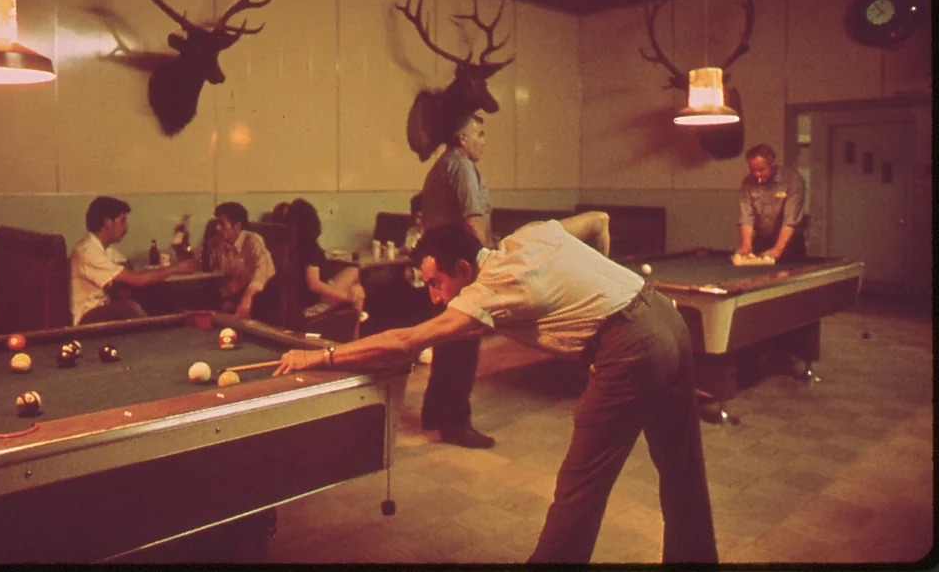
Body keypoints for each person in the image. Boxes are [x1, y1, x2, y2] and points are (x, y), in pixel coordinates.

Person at [274, 213, 718, 564]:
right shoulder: (531, 235)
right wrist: (604, 286)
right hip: (665, 315)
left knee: (580, 488)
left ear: (463, 269)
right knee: (682, 469)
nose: (434, 296)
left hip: (631, 348)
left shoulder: (489, 289)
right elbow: (597, 221)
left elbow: (407, 340)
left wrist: (321, 357)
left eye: (436, 283)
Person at [418, 111, 493, 448]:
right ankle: (456, 425)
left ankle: (434, 413)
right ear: (463, 138)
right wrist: (484, 266)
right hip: (459, 267)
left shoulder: (440, 166)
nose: (483, 141)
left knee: (445, 341)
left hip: (439, 264)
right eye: (479, 134)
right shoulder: (462, 166)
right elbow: (473, 220)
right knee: (463, 345)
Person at [69, 196, 199, 325]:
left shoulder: (106, 250)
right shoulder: (88, 251)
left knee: (155, 298)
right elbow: (137, 279)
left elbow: (128, 267)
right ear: (108, 223)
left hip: (103, 309)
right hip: (87, 316)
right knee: (130, 308)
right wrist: (176, 268)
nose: (126, 227)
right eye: (122, 221)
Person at [283, 198, 366, 322]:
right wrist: (345, 297)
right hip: (312, 304)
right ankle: (356, 325)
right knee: (357, 287)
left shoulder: (286, 245)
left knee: (355, 280)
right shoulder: (310, 248)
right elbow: (314, 284)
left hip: (296, 301)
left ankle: (355, 319)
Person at [203, 201, 276, 319]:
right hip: (226, 295)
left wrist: (247, 298)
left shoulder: (253, 241)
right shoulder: (218, 241)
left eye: (222, 224)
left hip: (252, 296)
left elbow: (265, 270)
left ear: (237, 226)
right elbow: (205, 264)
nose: (217, 228)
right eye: (217, 223)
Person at [736, 143, 807, 262]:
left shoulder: (792, 180)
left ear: (772, 163)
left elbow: (790, 220)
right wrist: (746, 245)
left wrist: (778, 249)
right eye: (753, 170)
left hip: (790, 244)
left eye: (761, 170)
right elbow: (746, 217)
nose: (757, 174)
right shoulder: (748, 182)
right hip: (762, 241)